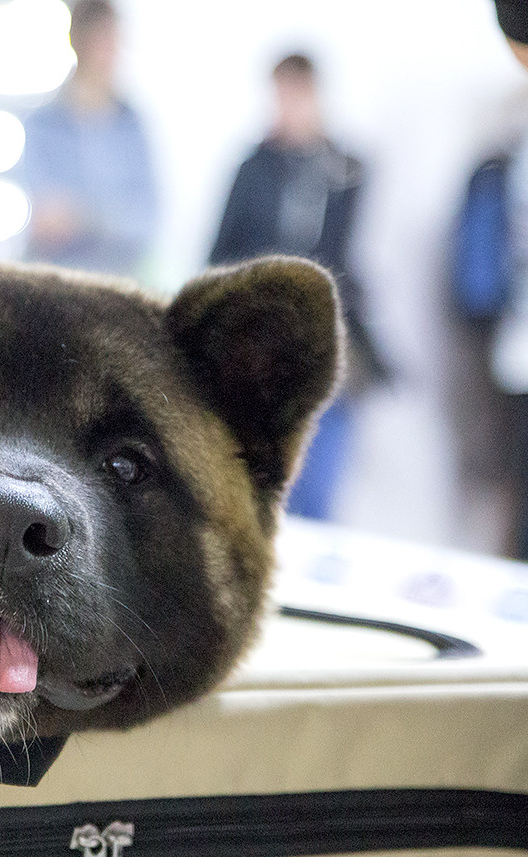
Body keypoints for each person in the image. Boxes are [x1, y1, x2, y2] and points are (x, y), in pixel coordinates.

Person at [210, 53, 388, 521]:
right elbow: (221, 253)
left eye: (297, 95)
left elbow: (358, 255)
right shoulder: (253, 168)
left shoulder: (346, 170)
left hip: (332, 331)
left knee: (322, 477)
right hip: (260, 338)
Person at [18, 0, 158, 280]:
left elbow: (146, 220)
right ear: (79, 43)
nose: (111, 54)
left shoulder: (132, 126)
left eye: (115, 43)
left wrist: (81, 216)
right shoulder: (41, 125)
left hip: (120, 281)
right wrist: (108, 216)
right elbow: (45, 221)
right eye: (102, 41)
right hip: (53, 281)